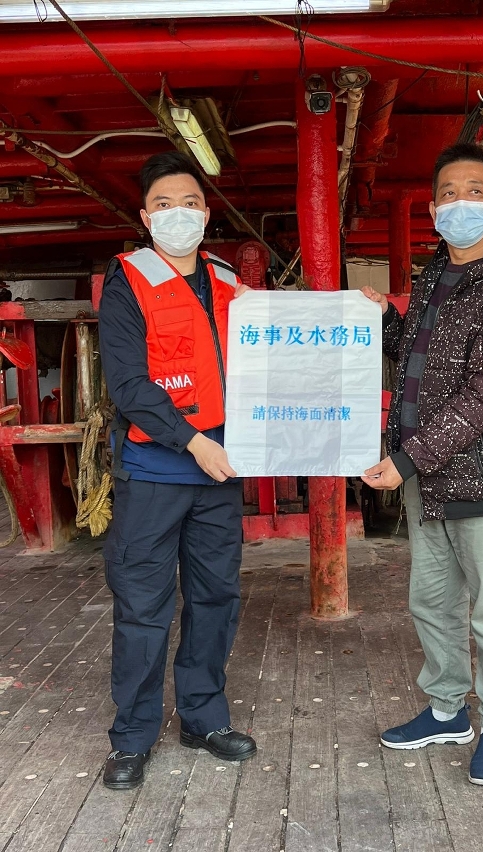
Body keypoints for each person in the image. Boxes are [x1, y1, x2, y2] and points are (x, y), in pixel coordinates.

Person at [361, 142, 483, 787]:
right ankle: (447, 710)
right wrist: (382, 321)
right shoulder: (437, 274)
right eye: (447, 193)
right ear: (434, 209)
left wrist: (406, 458)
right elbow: (422, 359)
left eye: (473, 191)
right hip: (429, 477)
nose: (458, 203)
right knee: (432, 601)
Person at [99, 151, 256, 790]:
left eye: (188, 203)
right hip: (156, 470)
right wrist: (193, 441)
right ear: (145, 217)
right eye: (163, 205)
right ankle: (133, 737)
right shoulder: (126, 281)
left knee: (216, 598)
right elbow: (129, 385)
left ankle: (203, 718)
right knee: (143, 606)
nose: (178, 214)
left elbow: (277, 346)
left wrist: (354, 310)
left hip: (220, 472)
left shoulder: (228, 282)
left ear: (206, 213)